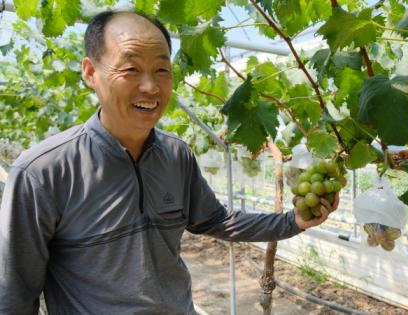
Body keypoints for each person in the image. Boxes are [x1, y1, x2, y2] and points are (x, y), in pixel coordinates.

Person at [0, 11, 339, 314]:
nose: (150, 86)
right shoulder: (42, 172)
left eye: (162, 69)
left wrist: (291, 222)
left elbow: (216, 220)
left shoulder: (176, 155)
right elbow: (15, 295)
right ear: (91, 72)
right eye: (131, 68)